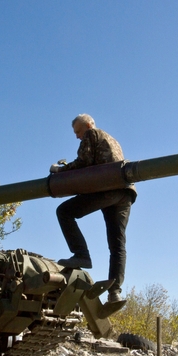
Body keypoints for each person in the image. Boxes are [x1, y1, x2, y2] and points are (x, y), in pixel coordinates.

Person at [50, 114, 136, 304]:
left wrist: (59, 170)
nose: (78, 136)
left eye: (78, 131)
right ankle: (115, 293)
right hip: (124, 192)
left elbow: (84, 162)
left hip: (107, 188)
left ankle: (81, 254)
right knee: (117, 245)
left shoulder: (92, 134)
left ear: (88, 125)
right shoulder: (113, 140)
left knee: (64, 212)